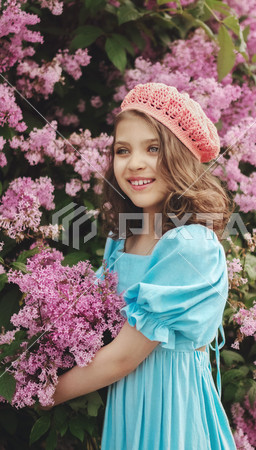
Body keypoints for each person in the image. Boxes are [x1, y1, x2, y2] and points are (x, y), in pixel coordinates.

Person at [49, 83, 237, 449]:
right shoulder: (121, 241)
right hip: (127, 406)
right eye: (123, 150)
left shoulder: (190, 245)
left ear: (181, 158)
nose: (134, 162)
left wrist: (39, 393)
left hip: (171, 411)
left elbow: (121, 358)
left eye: (153, 148)